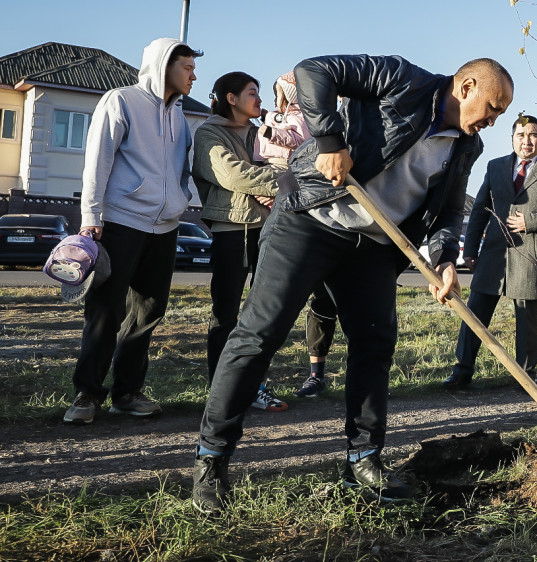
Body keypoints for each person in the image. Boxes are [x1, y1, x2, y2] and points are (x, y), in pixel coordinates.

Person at [192, 55, 513, 513]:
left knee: (375, 344)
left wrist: (443, 260)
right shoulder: (403, 81)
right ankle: (212, 460)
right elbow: (313, 71)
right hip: (312, 218)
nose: (493, 120)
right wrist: (329, 140)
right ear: (467, 87)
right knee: (260, 334)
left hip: (376, 245)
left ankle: (364, 460)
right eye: (493, 107)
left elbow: (447, 212)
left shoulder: (466, 146)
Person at [63, 38, 199, 425]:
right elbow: (97, 161)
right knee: (106, 311)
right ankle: (87, 394)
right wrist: (91, 216)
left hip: (165, 227)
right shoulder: (120, 101)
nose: (193, 75)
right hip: (120, 222)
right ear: (164, 66)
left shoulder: (180, 116)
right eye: (187, 68)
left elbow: (181, 170)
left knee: (148, 312)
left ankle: (127, 393)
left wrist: (182, 200)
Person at [442, 114, 537, 388]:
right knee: (474, 314)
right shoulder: (495, 167)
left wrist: (532, 222)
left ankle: (525, 378)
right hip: (493, 256)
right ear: (512, 138)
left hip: (529, 256)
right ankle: (462, 372)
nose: (527, 141)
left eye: (533, 134)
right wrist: (470, 249)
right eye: (521, 135)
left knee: (527, 324)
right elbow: (479, 210)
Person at [192, 71, 288, 411]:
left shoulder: (261, 132)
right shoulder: (209, 134)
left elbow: (282, 162)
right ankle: (222, 390)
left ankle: (254, 386)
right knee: (226, 314)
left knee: (262, 316)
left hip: (268, 229)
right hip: (231, 231)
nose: (259, 100)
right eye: (251, 92)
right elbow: (233, 174)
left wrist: (274, 182)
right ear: (231, 98)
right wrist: (282, 182)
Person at [256, 71, 337, 399]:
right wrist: (267, 185)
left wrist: (271, 129)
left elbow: (296, 144)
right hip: (283, 214)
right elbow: (262, 159)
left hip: (316, 212)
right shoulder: (283, 116)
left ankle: (316, 373)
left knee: (324, 301)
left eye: (283, 91)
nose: (279, 98)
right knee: (273, 303)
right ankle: (255, 380)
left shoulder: (312, 119)